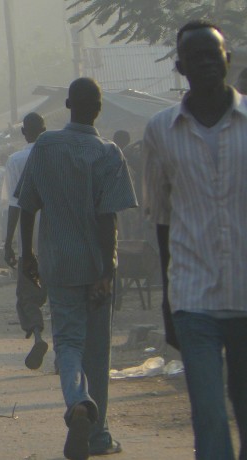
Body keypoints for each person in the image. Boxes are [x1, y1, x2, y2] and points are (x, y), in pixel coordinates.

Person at [16, 77, 136, 459]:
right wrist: (108, 269)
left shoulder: (45, 145)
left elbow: (27, 205)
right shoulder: (109, 153)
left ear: (67, 104)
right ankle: (98, 436)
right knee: (97, 350)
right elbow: (108, 219)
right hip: (95, 264)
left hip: (57, 261)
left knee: (68, 342)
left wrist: (27, 255)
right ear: (99, 108)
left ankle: (78, 402)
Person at [144, 20, 247, 460]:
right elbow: (162, 220)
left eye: (214, 53)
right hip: (192, 297)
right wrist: (168, 301)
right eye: (195, 55)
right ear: (179, 65)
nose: (206, 61)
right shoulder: (160, 131)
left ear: (228, 58)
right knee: (207, 414)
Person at [2, 112, 49, 370]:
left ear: (24, 132)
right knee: (61, 297)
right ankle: (64, 357)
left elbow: (14, 204)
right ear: (44, 129)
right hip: (57, 237)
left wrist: (8, 241)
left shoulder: (16, 160)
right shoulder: (55, 155)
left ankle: (39, 336)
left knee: (28, 295)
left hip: (28, 239)